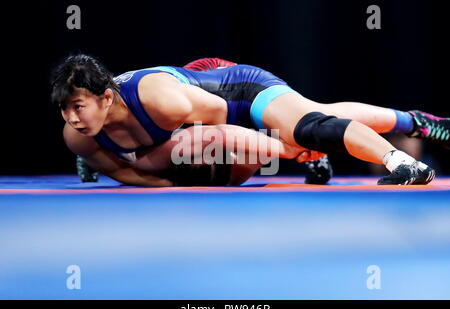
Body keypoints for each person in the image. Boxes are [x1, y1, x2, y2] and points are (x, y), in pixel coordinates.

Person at [51, 54, 449, 186]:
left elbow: (223, 118)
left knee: (309, 125)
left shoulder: (161, 101)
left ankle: (412, 131)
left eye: (78, 108)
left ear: (106, 98)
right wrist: (166, 182)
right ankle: (407, 123)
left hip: (235, 89)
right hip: (196, 89)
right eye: (64, 110)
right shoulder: (78, 134)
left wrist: (293, 149)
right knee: (306, 125)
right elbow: (136, 178)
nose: (72, 118)